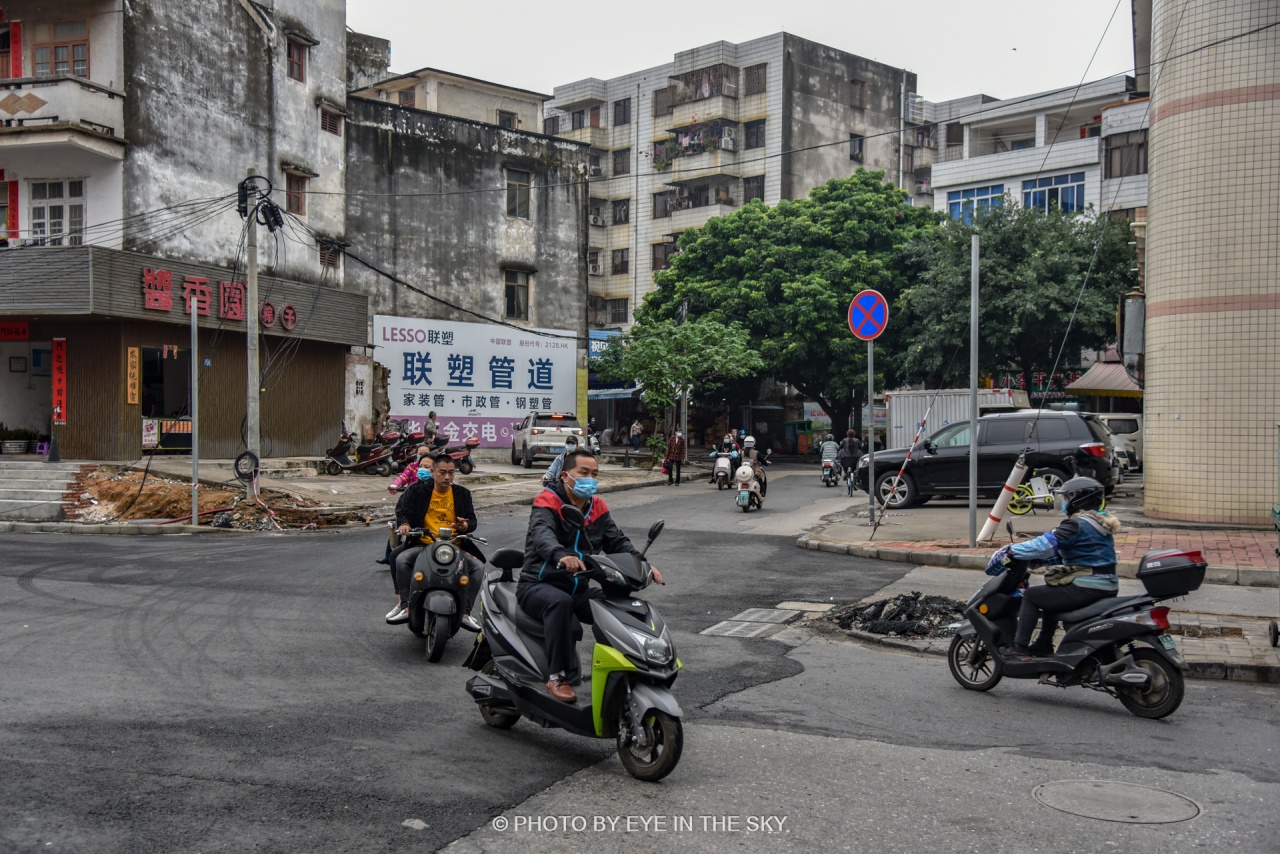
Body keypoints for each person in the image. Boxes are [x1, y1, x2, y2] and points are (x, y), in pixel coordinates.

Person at [518, 449, 664, 702]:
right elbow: (542, 534)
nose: (590, 479)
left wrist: (643, 565)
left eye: (594, 474)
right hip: (538, 585)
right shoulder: (548, 501)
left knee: (620, 606)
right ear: (565, 475)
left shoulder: (597, 506)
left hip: (578, 589)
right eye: (583, 473)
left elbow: (616, 541)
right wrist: (559, 556)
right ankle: (557, 676)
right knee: (559, 603)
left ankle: (632, 666)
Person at [989, 476, 1120, 658]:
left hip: (1090, 585)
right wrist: (1039, 561)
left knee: (1032, 596)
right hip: (1105, 584)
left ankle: (1019, 647)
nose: (1064, 502)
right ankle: (1043, 644)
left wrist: (1012, 550)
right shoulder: (1098, 523)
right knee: (1051, 593)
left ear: (1078, 498)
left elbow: (1044, 545)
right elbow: (1074, 552)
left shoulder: (1076, 524)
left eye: (1066, 498)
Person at [387, 454, 484, 631]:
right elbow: (402, 510)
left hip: (454, 547)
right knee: (400, 559)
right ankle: (406, 605)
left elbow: (472, 521)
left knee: (478, 568)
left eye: (451, 473)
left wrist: (465, 526)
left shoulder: (463, 494)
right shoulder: (417, 490)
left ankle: (466, 613)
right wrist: (405, 524)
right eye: (442, 473)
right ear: (433, 472)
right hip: (423, 544)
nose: (447, 477)